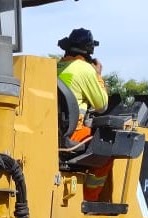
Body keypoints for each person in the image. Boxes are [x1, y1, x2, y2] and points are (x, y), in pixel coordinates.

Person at [57, 27, 113, 201]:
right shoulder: (85, 69)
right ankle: (90, 199)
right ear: (89, 52)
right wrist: (97, 75)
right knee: (107, 149)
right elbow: (102, 105)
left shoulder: (55, 67)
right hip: (73, 134)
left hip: (52, 133)